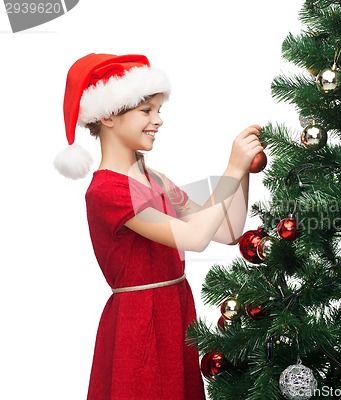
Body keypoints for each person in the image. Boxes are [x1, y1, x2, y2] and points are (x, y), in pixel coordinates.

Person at [54, 53, 263, 400]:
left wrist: (241, 174)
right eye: (146, 111)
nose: (158, 120)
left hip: (175, 311)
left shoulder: (155, 179)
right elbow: (194, 239)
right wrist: (231, 168)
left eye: (159, 110)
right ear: (107, 116)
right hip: (140, 323)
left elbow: (226, 231)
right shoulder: (108, 191)